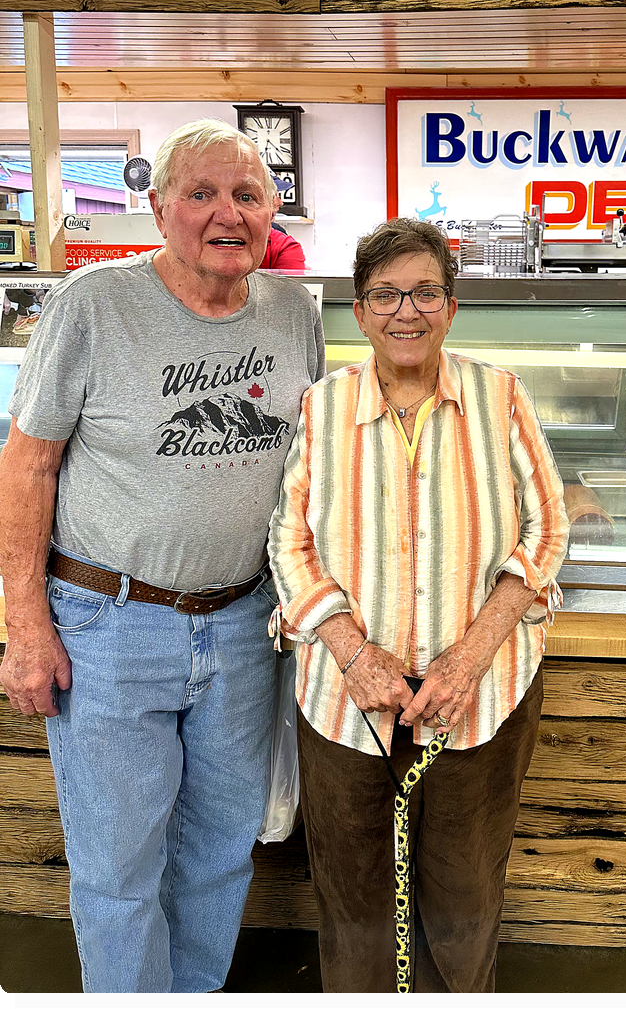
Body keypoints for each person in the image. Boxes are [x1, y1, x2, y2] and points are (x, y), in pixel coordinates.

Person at [0, 118, 325, 993]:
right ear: (157, 209)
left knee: (220, 852)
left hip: (244, 625)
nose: (229, 213)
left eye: (248, 194)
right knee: (118, 871)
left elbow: (316, 462)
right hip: (109, 625)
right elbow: (27, 463)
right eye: (203, 193)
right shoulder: (94, 305)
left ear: (274, 209)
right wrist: (24, 625)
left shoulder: (297, 311)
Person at [268, 217, 568, 993]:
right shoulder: (321, 408)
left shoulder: (500, 397)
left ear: (452, 306)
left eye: (426, 292)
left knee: (463, 895)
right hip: (345, 699)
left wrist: (468, 660)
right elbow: (288, 542)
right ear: (360, 312)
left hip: (481, 697)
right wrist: (354, 654)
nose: (408, 311)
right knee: (354, 894)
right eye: (387, 295)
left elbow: (547, 528)